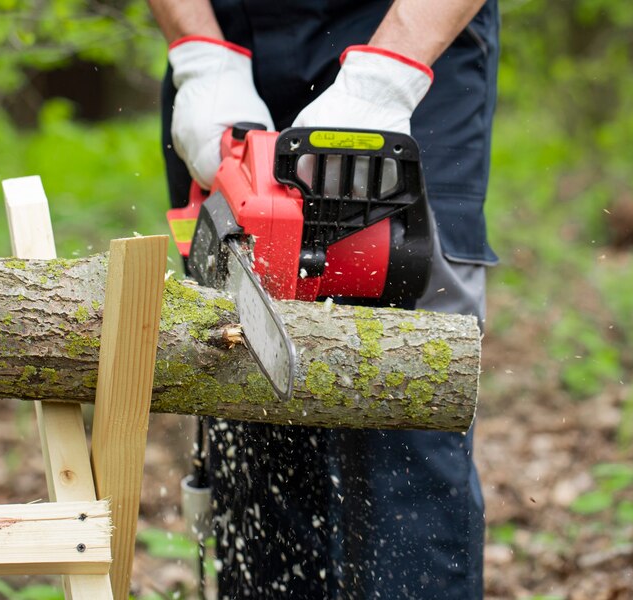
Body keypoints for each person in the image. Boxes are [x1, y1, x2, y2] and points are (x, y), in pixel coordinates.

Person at [149, 1, 499, 597]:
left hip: (415, 47)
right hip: (232, 57)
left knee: (404, 418)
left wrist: (389, 75)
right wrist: (199, 52)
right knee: (251, 421)